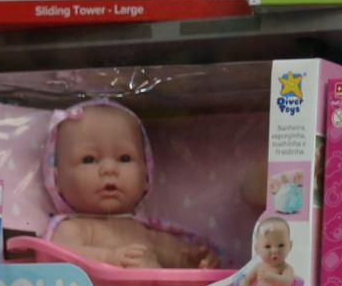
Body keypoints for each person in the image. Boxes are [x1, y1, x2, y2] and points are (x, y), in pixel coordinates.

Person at [45, 101, 220, 271]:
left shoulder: (144, 232)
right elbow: (62, 256)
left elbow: (178, 258)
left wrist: (196, 259)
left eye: (124, 158)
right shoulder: (75, 227)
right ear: (56, 180)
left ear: (146, 176)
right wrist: (107, 258)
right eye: (89, 159)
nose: (109, 169)